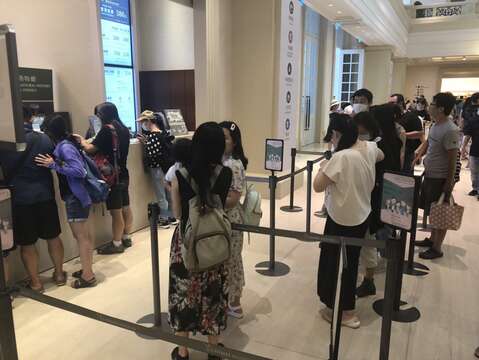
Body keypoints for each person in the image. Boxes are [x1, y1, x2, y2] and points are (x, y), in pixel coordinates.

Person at [168, 122, 232, 360]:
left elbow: (176, 213)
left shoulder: (180, 174)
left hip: (186, 242)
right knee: (213, 295)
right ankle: (213, 349)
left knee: (183, 295)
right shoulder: (226, 174)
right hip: (214, 243)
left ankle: (183, 350)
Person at [313, 113, 384, 329]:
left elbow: (317, 185)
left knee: (335, 264)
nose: (331, 140)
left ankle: (345, 312)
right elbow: (381, 155)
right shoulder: (369, 148)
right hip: (362, 215)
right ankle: (347, 309)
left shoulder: (341, 157)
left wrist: (325, 164)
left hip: (341, 219)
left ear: (337, 134)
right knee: (351, 263)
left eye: (332, 136)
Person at [0, 106, 66, 292]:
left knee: (27, 243)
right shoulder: (44, 138)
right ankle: (60, 274)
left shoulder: (6, 142)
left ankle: (36, 283)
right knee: (53, 237)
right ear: (32, 117)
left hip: (20, 199)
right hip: (45, 195)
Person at [36, 114, 96, 289]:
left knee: (81, 237)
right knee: (84, 236)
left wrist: (53, 164)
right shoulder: (68, 143)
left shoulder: (65, 147)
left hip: (75, 197)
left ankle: (88, 276)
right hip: (78, 196)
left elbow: (79, 171)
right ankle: (87, 269)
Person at [357, 104, 403, 297]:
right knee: (376, 233)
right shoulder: (394, 140)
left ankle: (369, 279)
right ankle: (371, 275)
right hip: (386, 193)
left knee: (369, 235)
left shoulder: (378, 145)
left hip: (372, 195)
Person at [76, 102, 133, 254]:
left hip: (111, 175)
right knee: (126, 207)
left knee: (116, 211)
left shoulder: (107, 130)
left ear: (103, 115)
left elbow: (91, 148)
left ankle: (116, 244)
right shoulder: (124, 129)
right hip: (123, 172)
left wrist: (81, 140)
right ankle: (126, 237)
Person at [413, 92, 460, 259]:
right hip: (430, 174)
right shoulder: (436, 125)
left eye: (432, 103)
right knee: (432, 210)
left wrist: (449, 182)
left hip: (440, 177)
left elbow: (453, 159)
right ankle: (432, 240)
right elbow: (428, 142)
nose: (429, 106)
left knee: (441, 210)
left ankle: (437, 248)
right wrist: (418, 155)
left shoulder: (450, 129)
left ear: (440, 108)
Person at [219, 121, 248, 319]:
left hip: (231, 220)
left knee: (232, 261)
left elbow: (233, 198)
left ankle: (235, 302)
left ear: (234, 142)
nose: (222, 141)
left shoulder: (234, 164)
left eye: (226, 138)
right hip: (223, 219)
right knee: (225, 260)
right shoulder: (222, 160)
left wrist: (211, 201)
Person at [137, 110, 176, 228]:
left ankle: (164, 219)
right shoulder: (162, 133)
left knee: (160, 195)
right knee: (168, 192)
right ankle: (171, 216)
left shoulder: (153, 135)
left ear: (148, 121)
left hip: (157, 168)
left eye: (143, 122)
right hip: (166, 168)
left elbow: (153, 153)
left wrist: (145, 143)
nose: (142, 125)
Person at [389, 94, 424, 173]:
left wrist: (403, 135)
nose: (390, 105)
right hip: (394, 152)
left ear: (400, 103)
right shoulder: (391, 116)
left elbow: (420, 133)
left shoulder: (412, 117)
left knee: (405, 178)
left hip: (407, 153)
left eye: (392, 103)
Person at [461, 92, 479, 198]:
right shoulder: (474, 119)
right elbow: (468, 134)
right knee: (474, 170)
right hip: (475, 149)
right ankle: (475, 189)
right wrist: (463, 147)